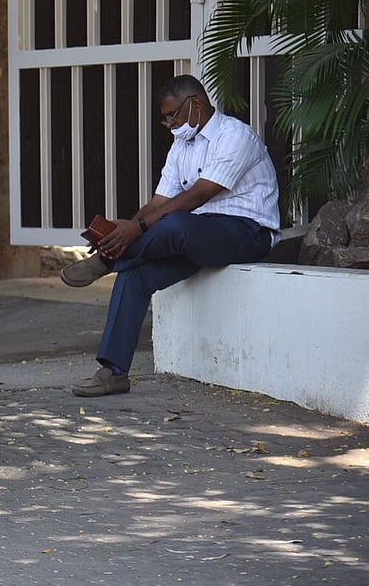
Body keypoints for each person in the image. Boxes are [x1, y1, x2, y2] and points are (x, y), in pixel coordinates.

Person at [60, 74, 280, 397]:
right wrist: (125, 229)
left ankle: (108, 261)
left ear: (196, 105)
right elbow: (159, 203)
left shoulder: (235, 137)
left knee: (176, 224)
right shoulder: (181, 147)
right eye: (165, 118)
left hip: (246, 233)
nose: (168, 124)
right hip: (196, 236)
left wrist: (134, 231)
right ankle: (113, 372)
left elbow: (197, 196)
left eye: (172, 115)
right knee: (134, 275)